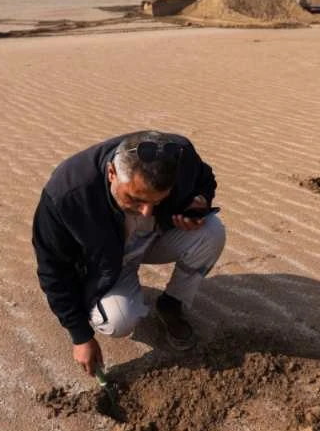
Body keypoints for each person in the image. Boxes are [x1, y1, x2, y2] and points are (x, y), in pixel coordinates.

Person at [32, 130, 226, 377]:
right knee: (117, 321)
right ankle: (102, 291)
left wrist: (200, 200)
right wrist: (80, 335)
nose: (145, 212)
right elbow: (52, 270)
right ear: (111, 173)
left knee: (212, 232)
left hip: (154, 237)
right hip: (103, 260)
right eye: (135, 200)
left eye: (157, 201)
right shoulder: (67, 195)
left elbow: (204, 177)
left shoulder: (180, 155)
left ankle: (171, 304)